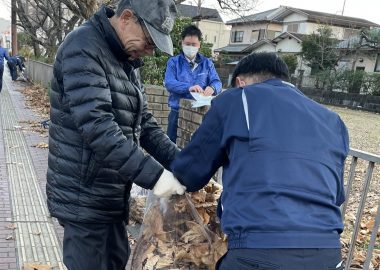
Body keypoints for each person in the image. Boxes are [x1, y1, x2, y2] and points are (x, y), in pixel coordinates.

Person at [165, 52, 349, 270]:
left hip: (257, 251)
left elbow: (189, 173)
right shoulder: (333, 121)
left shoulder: (237, 99)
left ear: (239, 82)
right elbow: (336, 195)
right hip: (327, 254)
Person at [46, 0, 185, 269]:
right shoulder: (83, 47)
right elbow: (98, 128)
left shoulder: (125, 60)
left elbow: (144, 123)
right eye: (149, 40)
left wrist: (183, 163)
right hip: (84, 199)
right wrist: (156, 176)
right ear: (127, 18)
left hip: (112, 197)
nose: (150, 50)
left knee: (117, 261)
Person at [164, 25, 222, 143]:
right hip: (177, 111)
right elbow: (169, 83)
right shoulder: (174, 62)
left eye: (193, 44)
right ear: (182, 43)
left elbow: (217, 82)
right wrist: (189, 88)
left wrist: (212, 88)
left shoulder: (207, 63)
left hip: (201, 113)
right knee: (171, 145)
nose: (190, 47)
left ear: (199, 44)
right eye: (187, 44)